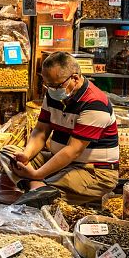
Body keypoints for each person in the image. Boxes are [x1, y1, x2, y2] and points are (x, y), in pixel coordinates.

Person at [11, 51, 119, 207]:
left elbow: (72, 151)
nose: (51, 90)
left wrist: (37, 174)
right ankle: (34, 184)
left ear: (75, 78)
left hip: (93, 171)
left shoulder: (95, 103)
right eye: (47, 85)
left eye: (56, 85)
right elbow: (41, 131)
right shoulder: (54, 95)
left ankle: (34, 185)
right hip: (61, 162)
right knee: (9, 156)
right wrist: (26, 155)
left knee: (43, 197)